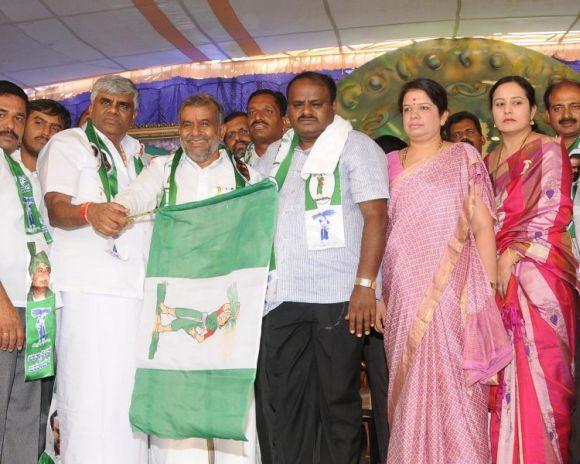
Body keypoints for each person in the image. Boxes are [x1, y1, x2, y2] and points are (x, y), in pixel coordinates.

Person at [115, 93, 259, 464]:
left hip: (228, 305)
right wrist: (114, 210)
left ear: (221, 128)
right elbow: (132, 197)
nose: (195, 133)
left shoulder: (247, 177)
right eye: (187, 124)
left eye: (205, 123)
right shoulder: (162, 170)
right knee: (176, 401)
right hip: (174, 306)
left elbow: (262, 234)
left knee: (231, 399)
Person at [254, 71, 389, 464]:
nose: (306, 111)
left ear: (332, 107)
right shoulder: (277, 154)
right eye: (298, 104)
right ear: (289, 110)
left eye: (316, 103)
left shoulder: (357, 148)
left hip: (338, 298)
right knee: (286, 402)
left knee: (336, 403)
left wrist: (365, 285)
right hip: (281, 299)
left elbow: (377, 216)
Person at [376, 78, 511, 463]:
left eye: (423, 108)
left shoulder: (462, 157)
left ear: (443, 115)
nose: (414, 116)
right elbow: (381, 231)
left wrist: (485, 291)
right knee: (408, 386)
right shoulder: (388, 165)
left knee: (455, 383)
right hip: (402, 289)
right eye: (407, 109)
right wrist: (380, 291)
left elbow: (483, 226)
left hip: (453, 290)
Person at [38, 75, 149, 464]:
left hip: (135, 291)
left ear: (134, 113)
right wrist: (90, 211)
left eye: (123, 105)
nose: (113, 111)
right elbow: (56, 208)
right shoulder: (68, 144)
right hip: (88, 291)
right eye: (106, 102)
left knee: (129, 397)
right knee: (88, 397)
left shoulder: (141, 156)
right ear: (91, 106)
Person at [486, 75, 578, 464]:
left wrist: (511, 255)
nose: (508, 110)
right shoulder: (485, 160)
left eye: (517, 102)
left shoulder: (548, 150)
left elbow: (555, 212)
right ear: (490, 113)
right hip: (492, 278)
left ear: (533, 111)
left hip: (537, 279)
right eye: (500, 103)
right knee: (501, 375)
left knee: (542, 375)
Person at [246, 89, 287, 166]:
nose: (257, 117)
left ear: (283, 122)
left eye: (268, 111)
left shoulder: (298, 158)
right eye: (252, 112)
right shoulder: (237, 166)